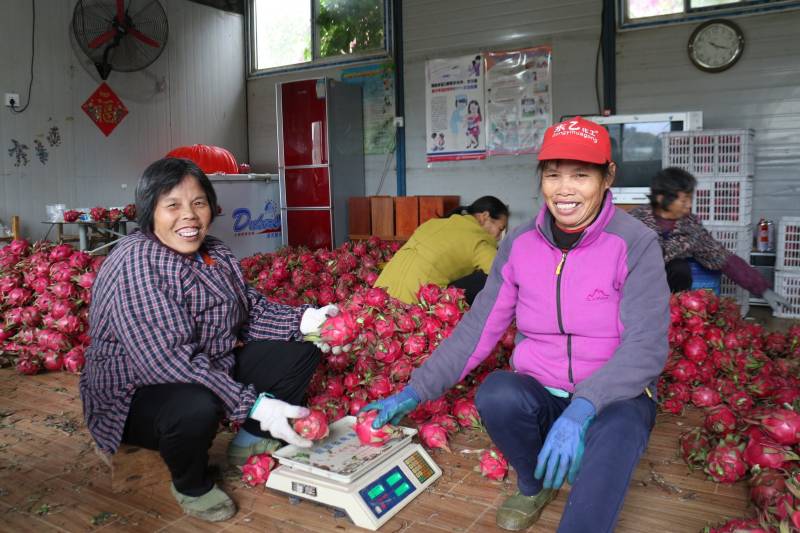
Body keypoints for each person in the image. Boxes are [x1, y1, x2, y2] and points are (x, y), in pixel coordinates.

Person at [364, 117, 669, 532]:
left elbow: (645, 347)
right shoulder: (520, 246)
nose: (564, 189)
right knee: (497, 394)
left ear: (607, 176)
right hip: (544, 388)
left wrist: (583, 408)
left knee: (619, 433)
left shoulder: (634, 244)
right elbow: (476, 330)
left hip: (614, 396)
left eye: (581, 175)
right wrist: (413, 392)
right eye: (553, 174)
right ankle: (533, 485)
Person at [79, 158, 337, 522]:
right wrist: (257, 405)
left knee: (302, 347)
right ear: (149, 211)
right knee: (194, 405)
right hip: (137, 392)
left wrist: (306, 319)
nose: (189, 215)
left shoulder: (214, 252)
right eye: (173, 205)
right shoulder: (136, 261)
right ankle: (191, 484)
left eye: (199, 202)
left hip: (210, 368)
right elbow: (167, 363)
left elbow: (251, 311)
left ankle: (247, 441)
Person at [629, 167, 789, 313]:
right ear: (661, 198)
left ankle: (675, 315)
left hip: (667, 294)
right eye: (684, 200)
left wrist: (763, 289)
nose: (689, 205)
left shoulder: (690, 226)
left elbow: (722, 257)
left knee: (680, 268)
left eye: (690, 199)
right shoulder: (634, 221)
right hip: (633, 289)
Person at [373, 196, 509, 305]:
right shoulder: (479, 240)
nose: (498, 237)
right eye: (500, 229)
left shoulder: (435, 223)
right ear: (484, 216)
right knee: (490, 279)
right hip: (411, 307)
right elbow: (505, 273)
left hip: (376, 297)